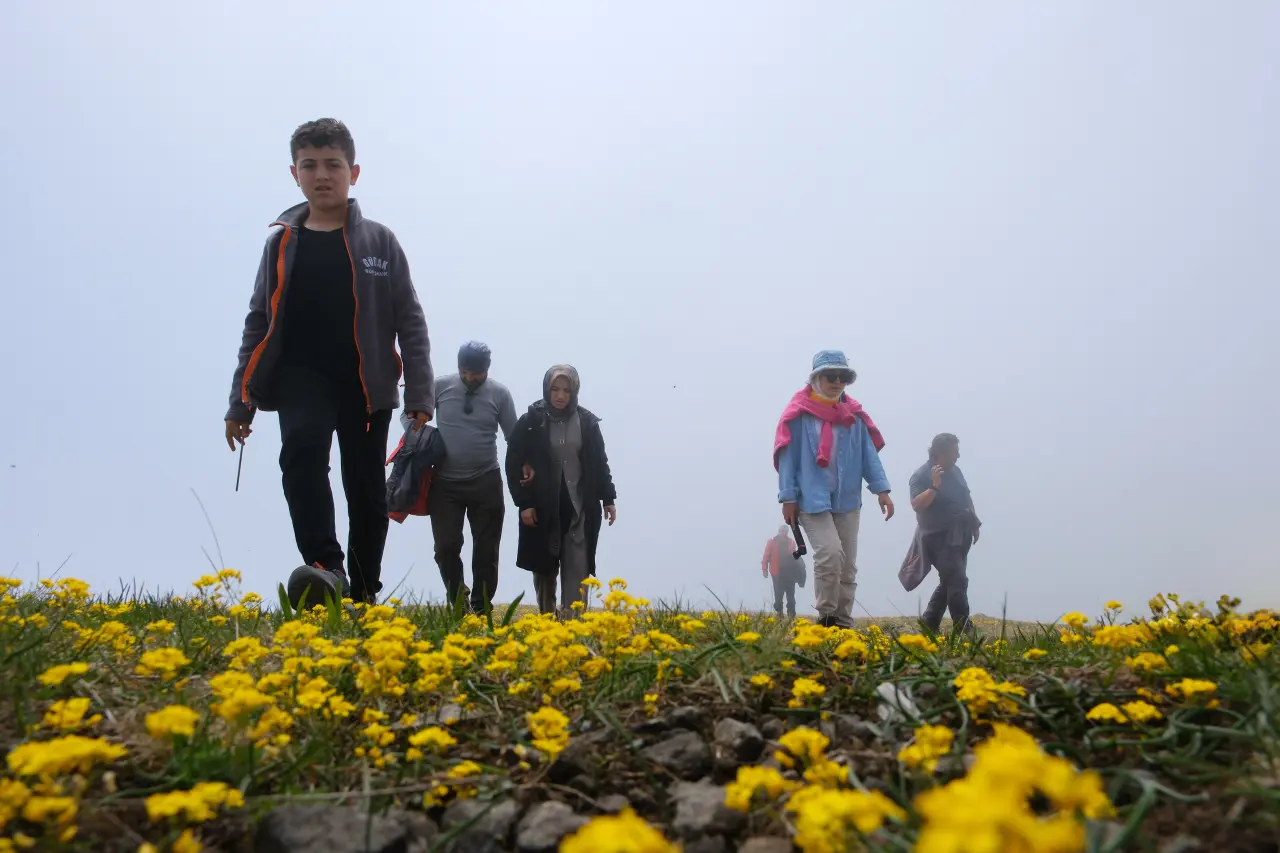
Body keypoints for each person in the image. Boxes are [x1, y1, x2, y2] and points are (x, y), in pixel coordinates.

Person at [223, 118, 433, 609]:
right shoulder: (280, 243)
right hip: (301, 379)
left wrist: (421, 395)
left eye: (333, 165)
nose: (322, 174)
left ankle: (361, 590)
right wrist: (240, 400)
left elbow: (411, 320)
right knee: (301, 453)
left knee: (364, 488)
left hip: (367, 384)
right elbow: (258, 321)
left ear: (353, 172)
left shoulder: (380, 242)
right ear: (294, 173)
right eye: (309, 165)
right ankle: (324, 566)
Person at [774, 350, 893, 628]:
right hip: (809, 499)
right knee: (829, 553)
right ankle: (826, 616)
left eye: (844, 376)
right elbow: (787, 458)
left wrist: (882, 490)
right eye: (831, 375)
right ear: (816, 378)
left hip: (847, 499)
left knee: (847, 563)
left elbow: (868, 456)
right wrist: (787, 498)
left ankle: (843, 619)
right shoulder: (798, 415)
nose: (837, 381)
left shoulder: (854, 416)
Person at [505, 365, 617, 616]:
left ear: (575, 391)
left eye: (566, 390)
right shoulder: (531, 421)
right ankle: (546, 621)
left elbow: (599, 462)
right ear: (546, 388)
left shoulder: (587, 423)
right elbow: (513, 462)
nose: (560, 395)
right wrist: (524, 503)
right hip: (542, 509)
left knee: (578, 566)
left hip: (578, 509)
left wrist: (608, 497)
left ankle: (573, 623)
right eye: (555, 389)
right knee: (544, 569)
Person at [430, 341, 517, 613]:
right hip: (444, 484)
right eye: (465, 372)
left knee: (486, 550)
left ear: (487, 370)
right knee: (446, 547)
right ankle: (458, 600)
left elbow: (513, 436)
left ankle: (481, 607)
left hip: (486, 481)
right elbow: (411, 417)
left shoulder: (500, 394)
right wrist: (419, 436)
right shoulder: (440, 387)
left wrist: (524, 466)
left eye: (476, 373)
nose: (470, 378)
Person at [909, 433, 982, 634]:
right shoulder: (921, 475)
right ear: (940, 454)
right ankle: (963, 630)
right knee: (957, 580)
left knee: (949, 581)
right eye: (954, 452)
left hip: (960, 533)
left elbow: (966, 496)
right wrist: (934, 486)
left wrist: (975, 524)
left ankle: (929, 623)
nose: (958, 456)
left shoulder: (956, 471)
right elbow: (916, 504)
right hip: (937, 536)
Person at [762, 524, 801, 618]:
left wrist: (799, 573)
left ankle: (791, 614)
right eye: (782, 530)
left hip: (790, 573)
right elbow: (766, 556)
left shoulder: (791, 542)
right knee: (778, 595)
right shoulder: (771, 542)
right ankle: (779, 613)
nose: (783, 532)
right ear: (779, 531)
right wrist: (764, 569)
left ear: (787, 532)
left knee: (791, 594)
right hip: (777, 573)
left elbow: (795, 557)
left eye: (785, 531)